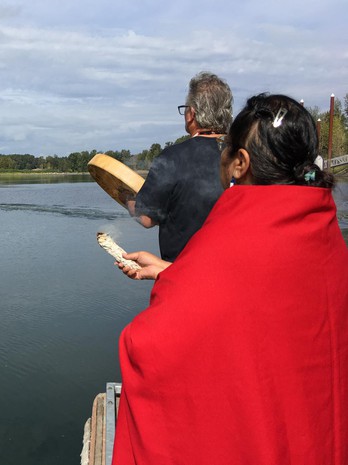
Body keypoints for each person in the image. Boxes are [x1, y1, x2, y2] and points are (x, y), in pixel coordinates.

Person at [113, 94, 348, 464]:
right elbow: (261, 294)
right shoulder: (320, 226)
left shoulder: (240, 229)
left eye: (227, 151)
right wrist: (174, 272)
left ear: (240, 163)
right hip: (312, 432)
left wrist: (175, 289)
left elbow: (152, 345)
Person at [127, 72, 233, 262]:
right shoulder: (244, 156)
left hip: (185, 275)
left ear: (191, 114)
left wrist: (128, 200)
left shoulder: (173, 158)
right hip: (233, 272)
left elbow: (146, 218)